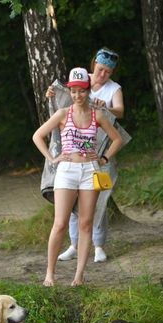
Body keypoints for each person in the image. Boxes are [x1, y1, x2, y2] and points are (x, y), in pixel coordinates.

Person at [33, 67, 123, 287]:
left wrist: (103, 158)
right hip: (67, 170)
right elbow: (38, 136)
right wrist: (53, 158)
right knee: (60, 223)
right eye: (73, 91)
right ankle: (50, 274)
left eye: (81, 91)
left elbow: (117, 139)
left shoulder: (97, 115)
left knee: (86, 223)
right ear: (70, 91)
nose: (77, 95)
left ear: (88, 90)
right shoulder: (63, 113)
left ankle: (79, 276)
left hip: (90, 170)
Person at [47, 47, 124, 263]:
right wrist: (50, 94)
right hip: (72, 157)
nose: (103, 74)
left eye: (108, 72)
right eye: (100, 69)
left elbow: (120, 111)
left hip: (99, 151)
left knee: (98, 203)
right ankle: (73, 244)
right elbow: (61, 96)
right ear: (94, 66)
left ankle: (98, 245)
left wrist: (106, 108)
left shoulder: (113, 89)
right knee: (71, 206)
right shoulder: (80, 79)